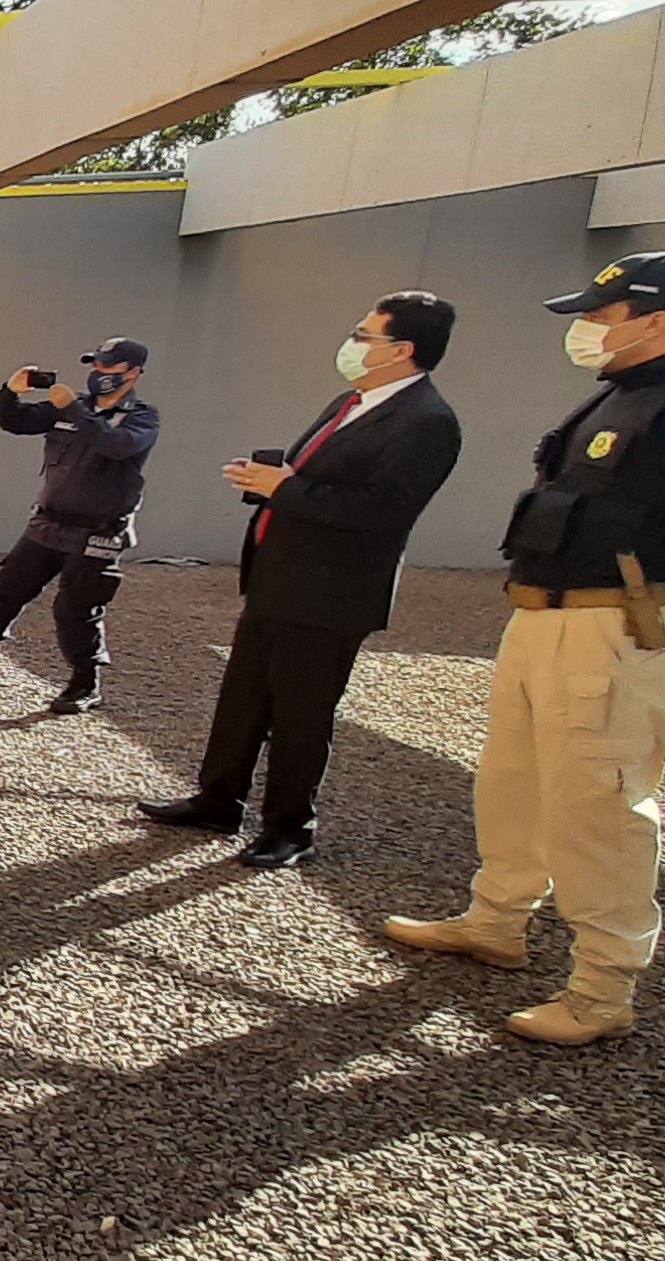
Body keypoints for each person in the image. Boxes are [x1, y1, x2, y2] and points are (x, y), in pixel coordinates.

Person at [383, 251, 665, 1045]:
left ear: (655, 319)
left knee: (599, 806)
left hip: (616, 625)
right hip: (545, 616)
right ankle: (497, 919)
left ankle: (602, 990)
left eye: (599, 317)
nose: (585, 332)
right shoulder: (623, 400)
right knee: (516, 781)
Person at [139, 293, 465, 867]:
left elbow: (384, 510)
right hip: (279, 579)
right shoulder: (351, 401)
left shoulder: (427, 422)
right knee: (243, 699)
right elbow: (312, 477)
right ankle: (218, 800)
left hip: (330, 594)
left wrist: (284, 489)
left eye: (365, 335)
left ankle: (290, 827)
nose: (353, 343)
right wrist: (272, 481)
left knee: (300, 714)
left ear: (403, 349)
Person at [0, 338, 160, 714]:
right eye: (96, 365)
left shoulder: (141, 417)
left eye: (109, 368)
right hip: (48, 524)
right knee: (6, 590)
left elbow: (115, 446)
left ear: (133, 373)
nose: (99, 373)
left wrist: (72, 408)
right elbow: (16, 421)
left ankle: (86, 684)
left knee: (76, 608)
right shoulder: (73, 406)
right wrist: (9, 392)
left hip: (97, 532)